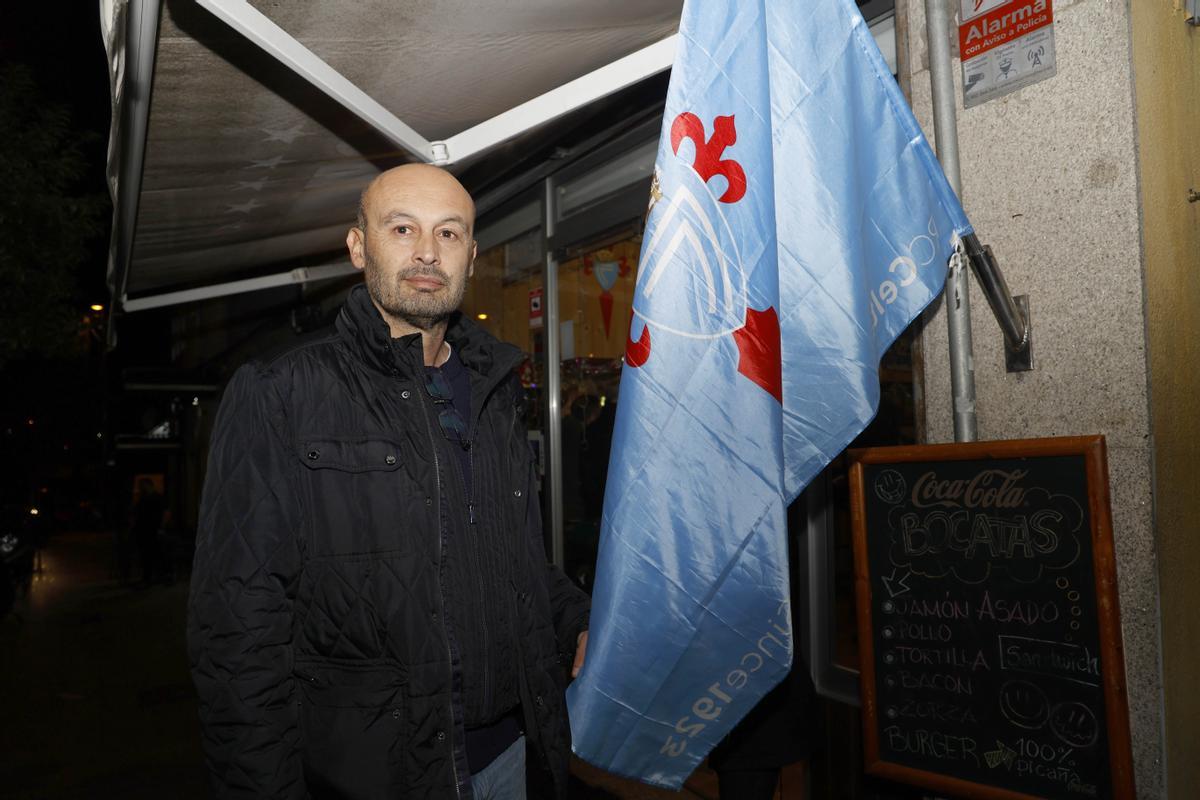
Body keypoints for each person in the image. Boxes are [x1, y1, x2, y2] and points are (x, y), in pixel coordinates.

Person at [187, 164, 591, 799]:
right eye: (403, 228)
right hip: (373, 775)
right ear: (358, 246)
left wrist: (577, 619)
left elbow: (512, 563)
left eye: (449, 234)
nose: (428, 251)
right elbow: (238, 626)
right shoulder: (282, 390)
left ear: (472, 255)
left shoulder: (495, 390)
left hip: (509, 757)